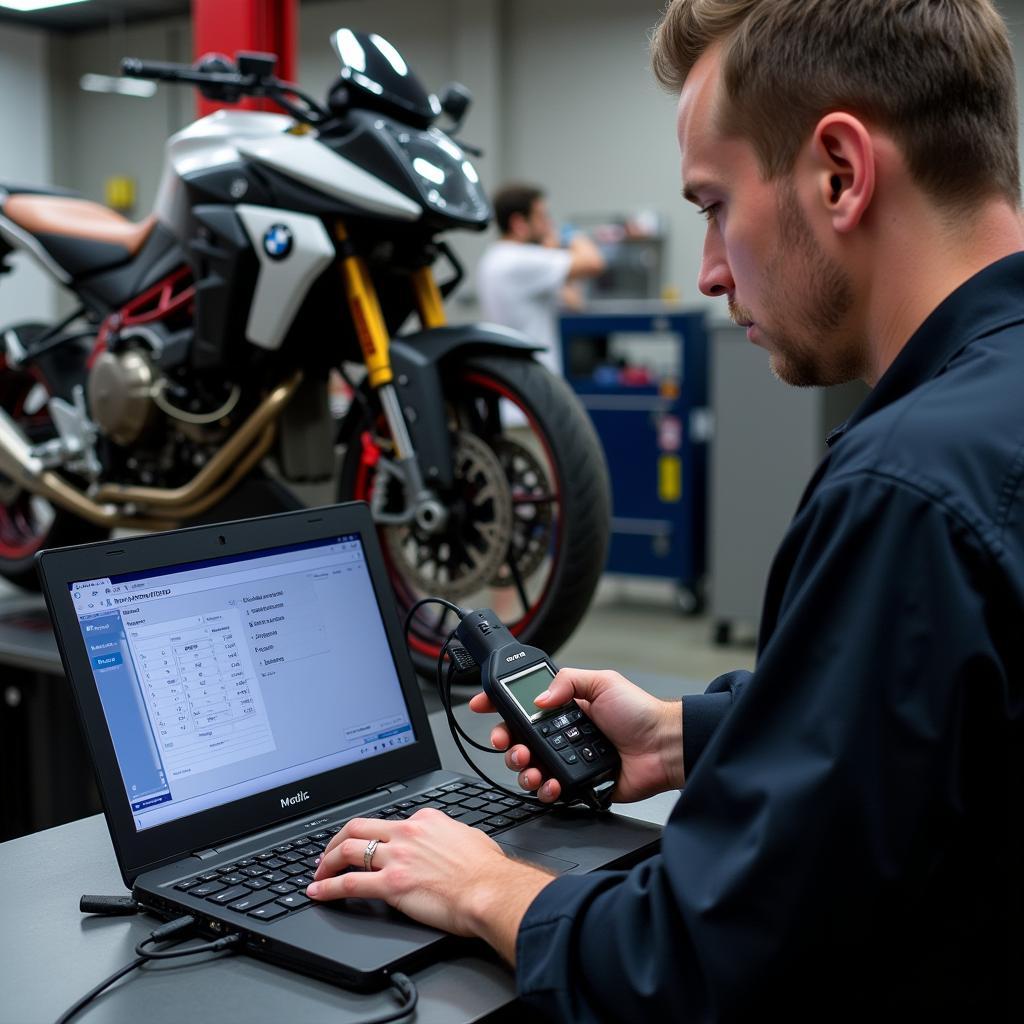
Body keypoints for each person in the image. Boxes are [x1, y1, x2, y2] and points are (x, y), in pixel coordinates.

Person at [306, 2, 1024, 1018]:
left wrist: (484, 886)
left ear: (839, 173)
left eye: (712, 204)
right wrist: (688, 732)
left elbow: (705, 969)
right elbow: (949, 729)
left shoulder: (906, 490)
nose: (709, 271)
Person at [476, 183, 605, 375]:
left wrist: (551, 251)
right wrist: (571, 235)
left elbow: (574, 303)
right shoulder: (518, 259)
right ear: (519, 223)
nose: (548, 224)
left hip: (519, 377)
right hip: (531, 380)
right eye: (542, 217)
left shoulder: (496, 257)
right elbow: (594, 263)